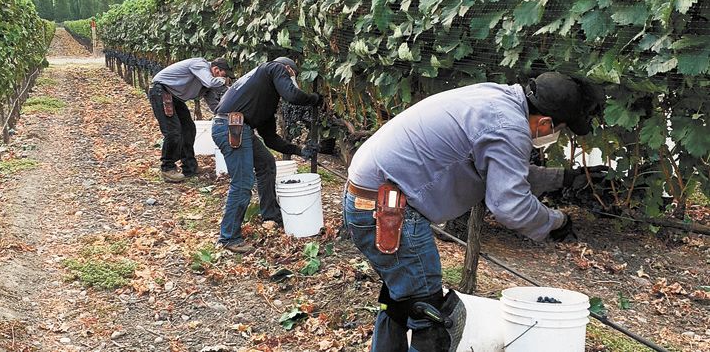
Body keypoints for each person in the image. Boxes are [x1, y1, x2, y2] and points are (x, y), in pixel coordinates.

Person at [342, 72, 604, 351]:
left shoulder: (498, 98)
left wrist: (563, 178)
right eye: (559, 130)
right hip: (389, 212)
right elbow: (510, 205)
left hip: (372, 199)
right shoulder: (510, 127)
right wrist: (556, 222)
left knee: (401, 303)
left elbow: (506, 173)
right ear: (545, 123)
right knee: (432, 321)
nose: (554, 135)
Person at [212, 57, 322, 254]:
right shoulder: (274, 67)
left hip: (235, 126)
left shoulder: (263, 100)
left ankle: (270, 214)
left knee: (266, 163)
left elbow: (270, 139)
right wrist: (314, 99)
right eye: (291, 77)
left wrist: (299, 151)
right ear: (288, 69)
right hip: (232, 127)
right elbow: (293, 96)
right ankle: (229, 237)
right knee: (243, 183)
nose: (290, 81)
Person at [148, 57, 234, 183]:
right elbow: (210, 82)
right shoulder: (200, 64)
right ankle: (167, 168)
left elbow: (214, 105)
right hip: (161, 91)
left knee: (189, 129)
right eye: (224, 75)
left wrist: (228, 116)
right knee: (173, 132)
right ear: (216, 69)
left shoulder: (207, 82)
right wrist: (224, 83)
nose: (225, 78)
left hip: (175, 97)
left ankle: (189, 167)